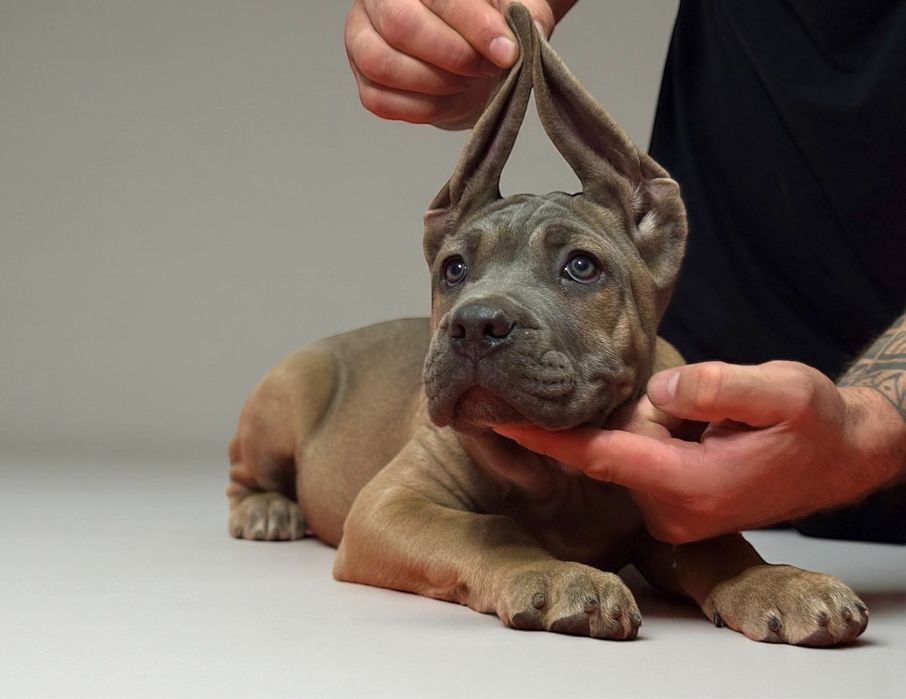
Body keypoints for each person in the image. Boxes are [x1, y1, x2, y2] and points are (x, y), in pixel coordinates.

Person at [344, 0, 906, 543]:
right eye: (458, 267)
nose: (481, 312)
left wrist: (871, 424)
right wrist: (492, 16)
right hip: (707, 421)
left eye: (579, 266)